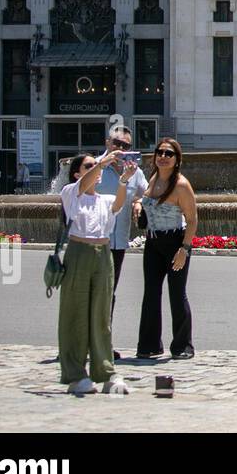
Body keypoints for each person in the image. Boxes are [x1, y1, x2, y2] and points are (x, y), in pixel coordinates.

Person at [57, 151, 136, 395]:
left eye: (95, 165)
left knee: (102, 315)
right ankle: (76, 374)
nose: (96, 170)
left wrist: (124, 179)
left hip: (103, 254)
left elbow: (118, 205)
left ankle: (106, 372)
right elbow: (84, 185)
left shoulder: (104, 199)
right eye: (89, 166)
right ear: (78, 173)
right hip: (78, 251)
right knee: (75, 313)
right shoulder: (71, 193)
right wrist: (102, 162)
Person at [136, 138, 197, 360]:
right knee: (151, 293)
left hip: (175, 242)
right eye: (159, 152)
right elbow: (144, 203)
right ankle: (149, 345)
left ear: (177, 159)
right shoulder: (152, 179)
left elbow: (192, 219)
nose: (163, 156)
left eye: (169, 153)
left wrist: (184, 248)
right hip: (153, 242)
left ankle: (182, 346)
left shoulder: (181, 185)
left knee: (176, 294)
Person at [96, 125, 148, 359]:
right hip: (94, 240)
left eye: (126, 146)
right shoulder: (95, 166)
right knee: (90, 291)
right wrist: (103, 163)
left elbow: (147, 192)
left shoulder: (134, 171)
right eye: (117, 144)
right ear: (108, 143)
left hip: (118, 242)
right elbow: (77, 191)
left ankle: (102, 341)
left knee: (109, 292)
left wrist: (138, 201)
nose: (120, 149)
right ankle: (83, 340)